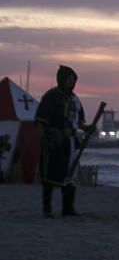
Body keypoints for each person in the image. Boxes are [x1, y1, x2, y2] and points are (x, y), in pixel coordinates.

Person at [35, 65, 88, 218]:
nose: (71, 83)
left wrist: (88, 128)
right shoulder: (50, 97)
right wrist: (44, 139)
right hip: (54, 141)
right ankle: (47, 209)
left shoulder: (75, 99)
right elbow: (40, 121)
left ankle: (68, 208)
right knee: (50, 175)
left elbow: (79, 123)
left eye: (73, 80)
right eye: (69, 79)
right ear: (61, 79)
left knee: (70, 176)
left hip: (71, 142)